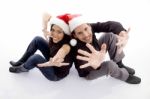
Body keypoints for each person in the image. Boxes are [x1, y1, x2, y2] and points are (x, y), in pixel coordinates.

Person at [67, 14, 141, 84]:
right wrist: (97, 65)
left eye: (86, 29)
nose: (86, 35)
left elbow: (110, 24)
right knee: (109, 65)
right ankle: (124, 76)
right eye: (80, 33)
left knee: (110, 36)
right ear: (75, 35)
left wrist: (122, 32)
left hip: (97, 52)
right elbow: (85, 67)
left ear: (89, 25)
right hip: (90, 70)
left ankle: (119, 64)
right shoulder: (77, 49)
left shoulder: (88, 27)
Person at [9, 13, 74, 81]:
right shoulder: (53, 35)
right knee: (37, 39)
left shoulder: (67, 44)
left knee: (36, 57)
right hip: (51, 58)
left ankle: (23, 68)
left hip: (56, 73)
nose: (54, 34)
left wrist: (57, 57)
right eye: (53, 30)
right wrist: (45, 28)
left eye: (59, 32)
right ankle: (21, 62)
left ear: (65, 33)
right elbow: (45, 14)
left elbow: (64, 50)